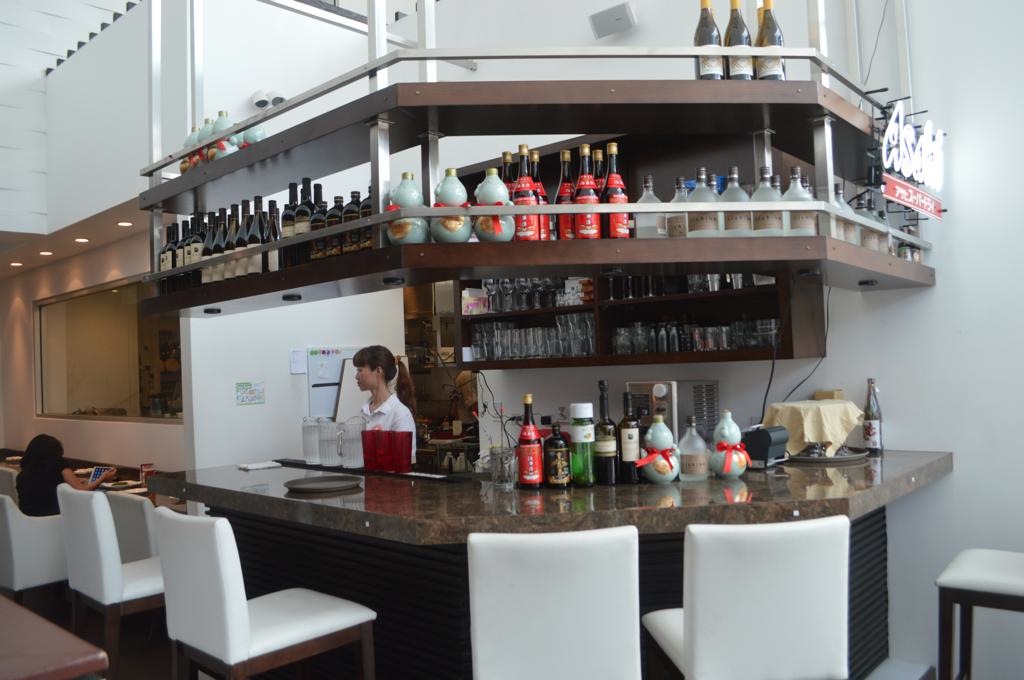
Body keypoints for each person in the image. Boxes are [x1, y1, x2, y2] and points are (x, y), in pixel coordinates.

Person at [16, 434, 115, 516]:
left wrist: (70, 482)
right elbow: (81, 490)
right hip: (54, 519)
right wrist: (102, 478)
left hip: (26, 520)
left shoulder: (23, 474)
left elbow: (46, 484)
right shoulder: (59, 463)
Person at [353, 345, 417, 463]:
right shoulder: (363, 411)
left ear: (378, 370)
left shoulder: (400, 414)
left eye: (360, 370)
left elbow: (403, 462)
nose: (356, 376)